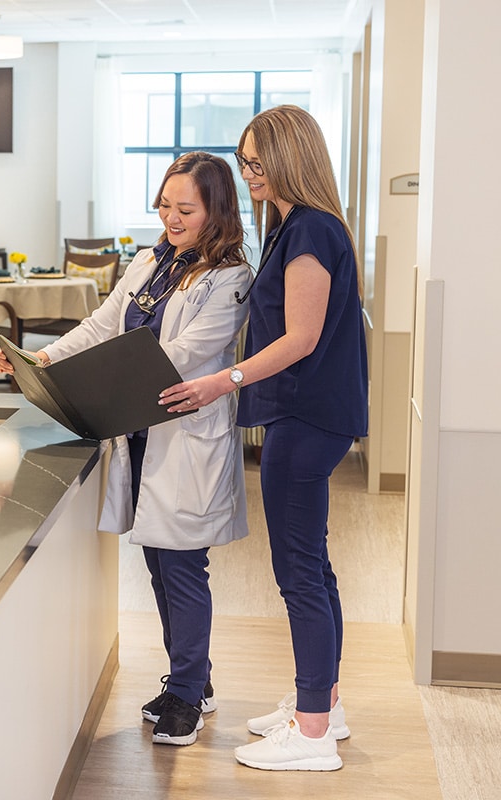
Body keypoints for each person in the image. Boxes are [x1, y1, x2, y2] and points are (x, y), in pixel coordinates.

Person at [0, 152, 252, 747]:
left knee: (183, 566)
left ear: (216, 210)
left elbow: (185, 354)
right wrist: (47, 357)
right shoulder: (148, 263)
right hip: (138, 436)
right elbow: (102, 323)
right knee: (160, 565)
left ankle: (188, 694)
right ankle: (192, 679)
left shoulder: (231, 277)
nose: (170, 218)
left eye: (184, 208)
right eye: (164, 205)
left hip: (185, 437)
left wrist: (98, 375)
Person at [160, 105, 367, 772]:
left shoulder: (309, 232)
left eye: (257, 162)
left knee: (299, 574)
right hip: (307, 416)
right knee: (316, 569)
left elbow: (300, 339)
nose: (248, 173)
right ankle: (322, 707)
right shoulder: (296, 228)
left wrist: (226, 379)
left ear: (289, 160)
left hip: (304, 419)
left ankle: (310, 737)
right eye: (244, 161)